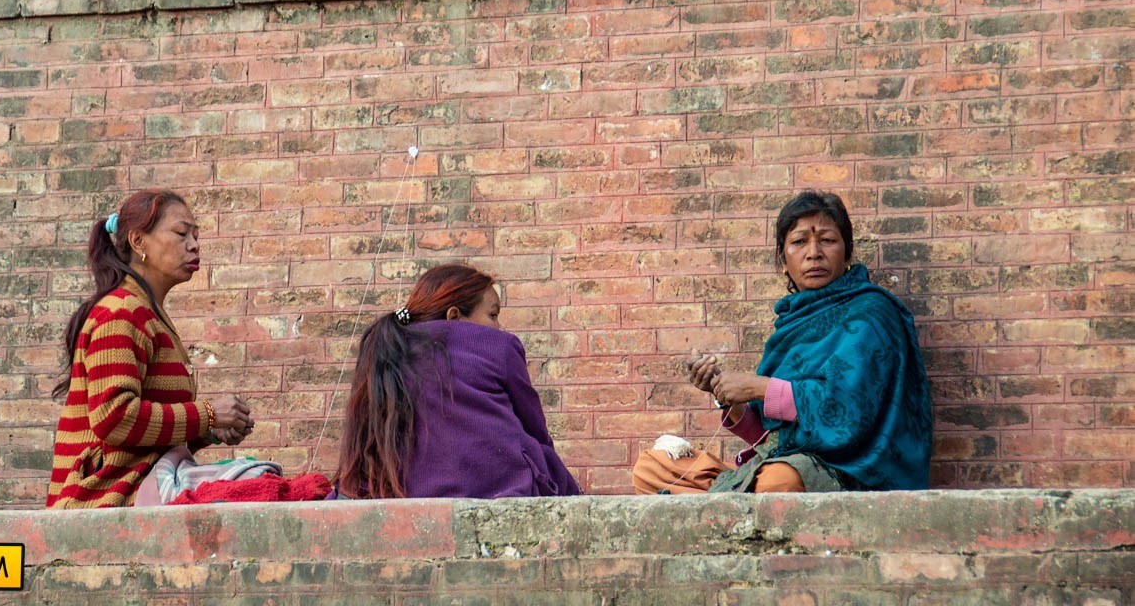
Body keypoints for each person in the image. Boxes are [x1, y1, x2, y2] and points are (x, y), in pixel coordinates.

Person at [632, 191, 933, 494]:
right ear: (783, 259)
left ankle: (727, 509)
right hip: (775, 466)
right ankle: (735, 509)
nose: (813, 252)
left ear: (847, 252)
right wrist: (725, 395)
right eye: (799, 242)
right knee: (651, 468)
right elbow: (767, 437)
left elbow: (846, 411)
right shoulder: (792, 323)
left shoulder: (872, 314)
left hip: (845, 472)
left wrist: (757, 387)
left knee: (778, 482)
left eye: (827, 240)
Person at [47, 189, 253, 508]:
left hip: (137, 496)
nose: (194, 245)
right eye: (181, 233)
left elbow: (144, 442)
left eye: (196, 236)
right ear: (138, 241)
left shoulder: (147, 313)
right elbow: (114, 418)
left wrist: (211, 431)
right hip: (101, 503)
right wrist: (208, 414)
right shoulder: (119, 313)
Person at [334, 263, 581, 499]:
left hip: (405, 492)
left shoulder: (385, 351)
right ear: (454, 317)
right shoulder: (498, 345)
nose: (499, 326)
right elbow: (535, 428)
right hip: (503, 488)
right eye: (493, 315)